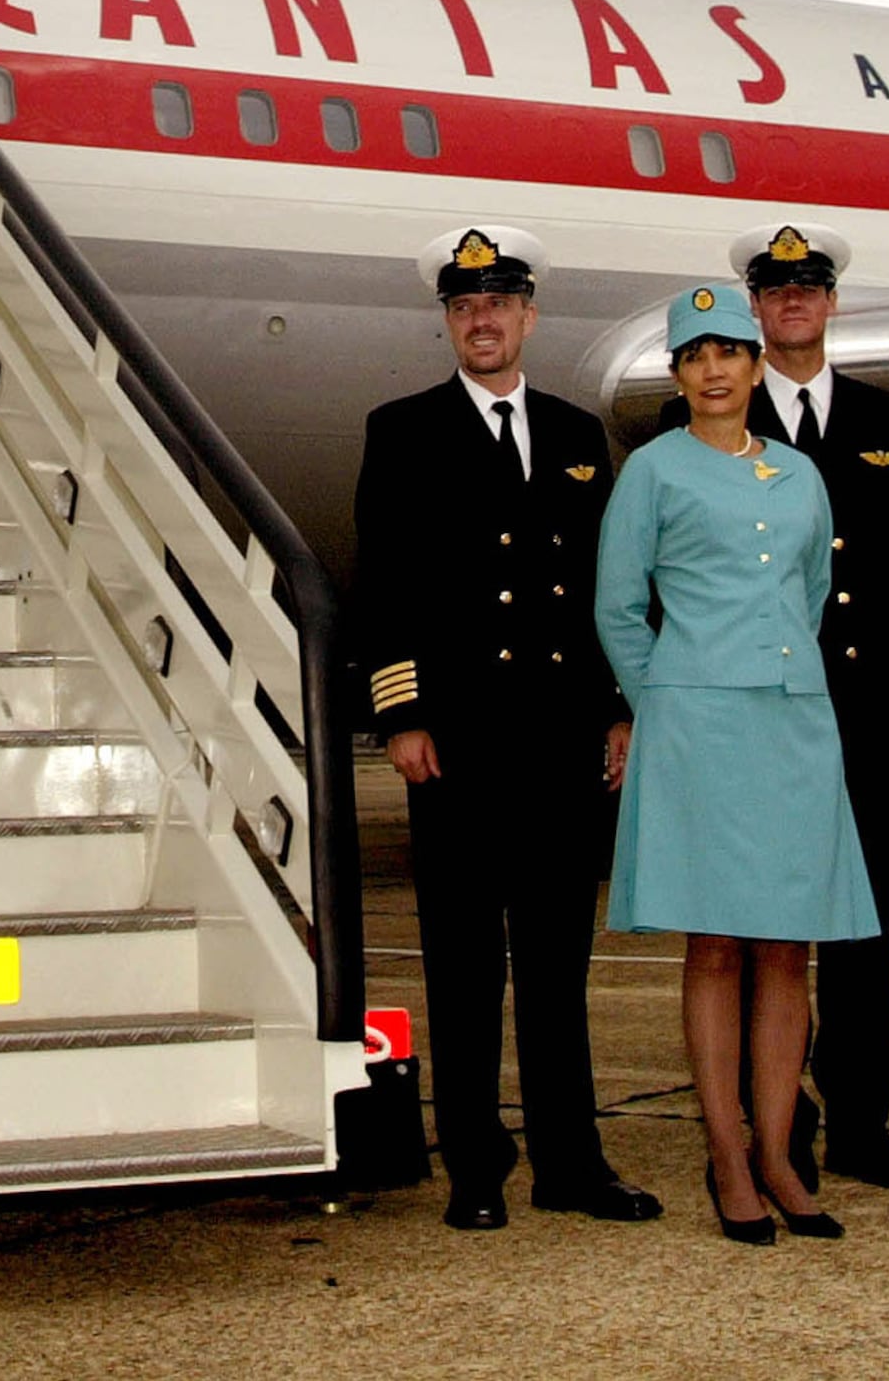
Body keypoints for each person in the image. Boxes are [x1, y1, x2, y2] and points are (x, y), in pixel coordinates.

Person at [350, 226, 662, 1232]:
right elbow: (382, 586)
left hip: (563, 743)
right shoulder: (401, 429)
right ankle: (476, 1168)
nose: (481, 320)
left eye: (499, 303)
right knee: (464, 966)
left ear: (529, 315)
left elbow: (610, 592)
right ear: (448, 320)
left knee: (558, 967)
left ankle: (572, 1159)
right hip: (461, 747)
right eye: (463, 305)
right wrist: (400, 712)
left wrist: (619, 708)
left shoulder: (577, 435)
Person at [596, 282, 883, 1243]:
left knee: (788, 948)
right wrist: (666, 700)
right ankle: (726, 1153)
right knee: (716, 947)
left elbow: (813, 592)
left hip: (794, 724)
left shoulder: (800, 473)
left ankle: (778, 1153)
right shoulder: (652, 470)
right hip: (698, 726)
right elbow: (616, 608)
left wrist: (769, 677)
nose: (714, 368)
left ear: (758, 365)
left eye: (730, 351)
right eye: (694, 355)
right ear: (676, 375)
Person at [714, 220, 889, 1192]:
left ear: (832, 301)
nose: (794, 302)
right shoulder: (721, 424)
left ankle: (860, 1118)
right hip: (761, 707)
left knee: (860, 922)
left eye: (809, 287)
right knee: (762, 921)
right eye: (775, 290)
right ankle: (776, 1120)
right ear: (757, 308)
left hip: (858, 704)